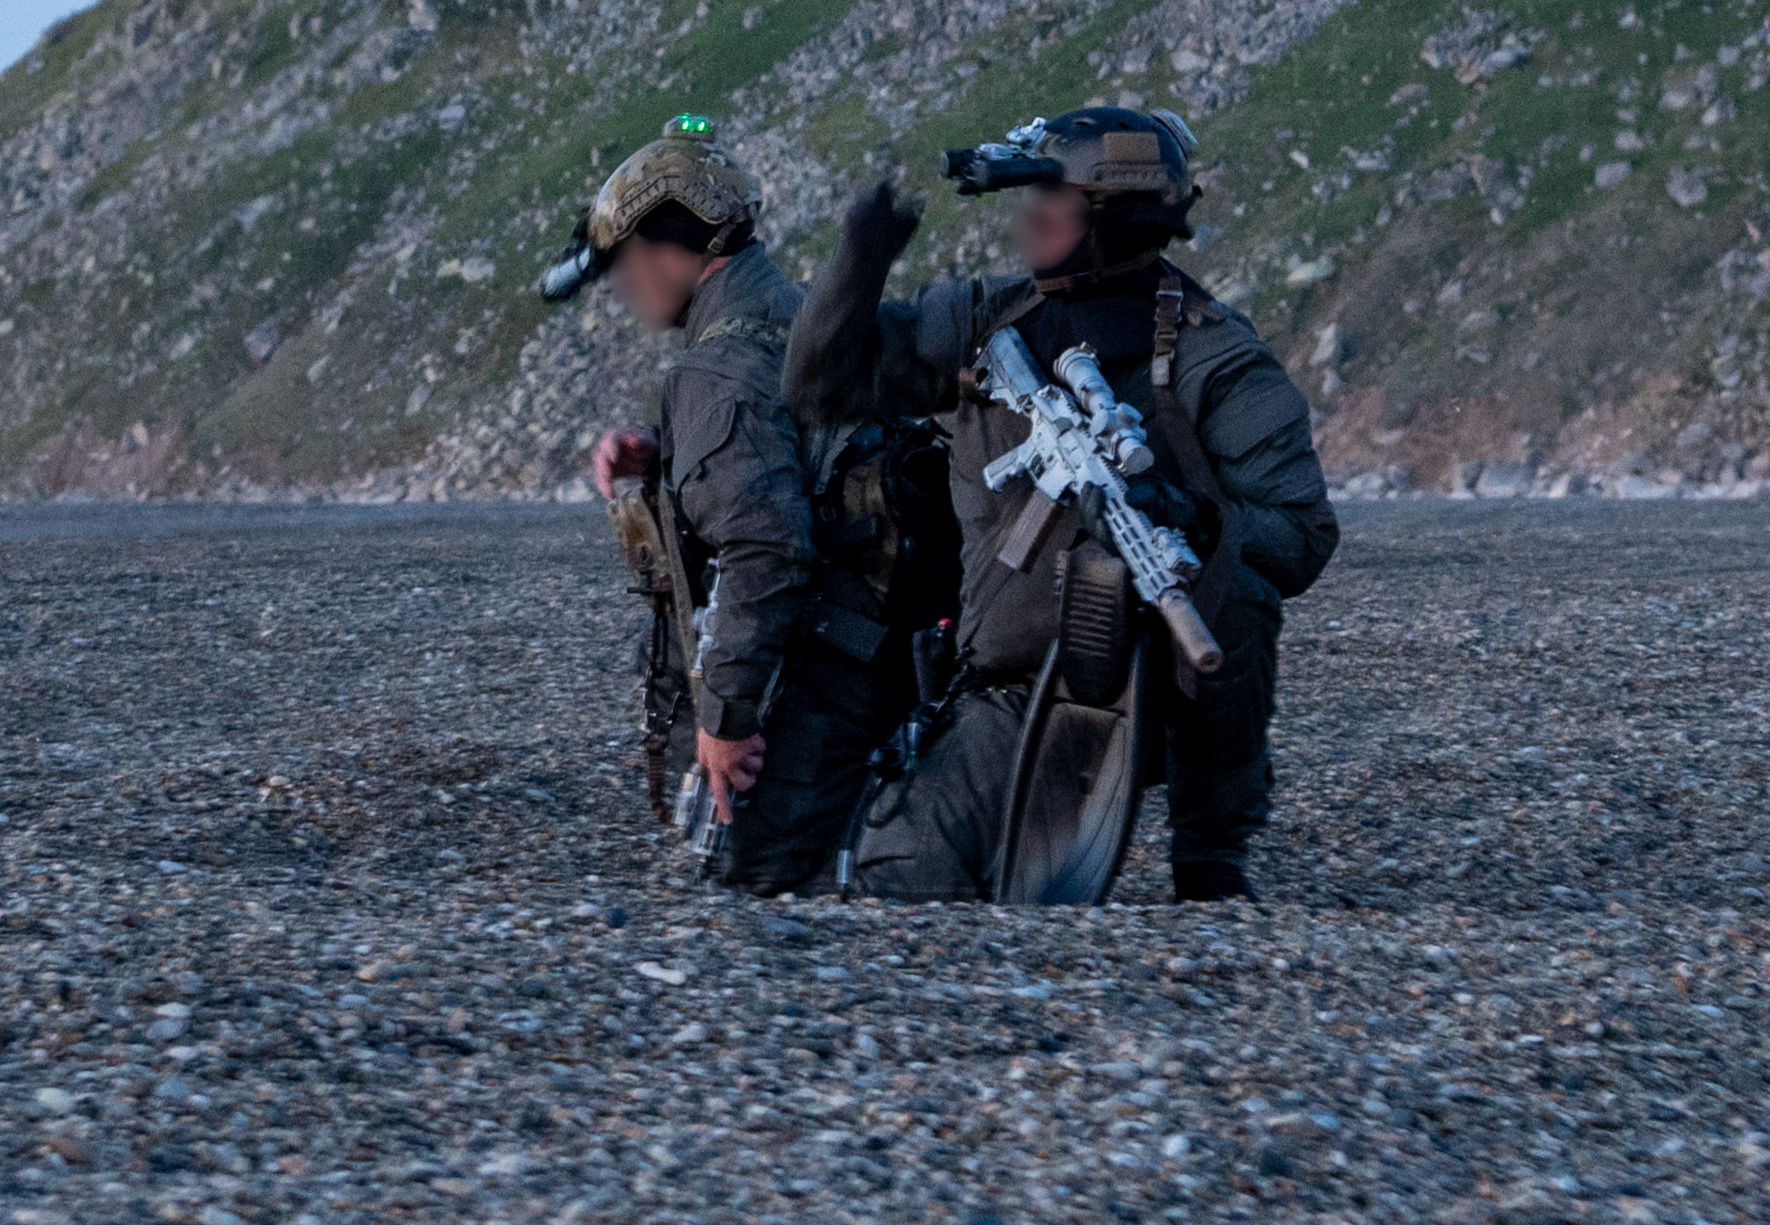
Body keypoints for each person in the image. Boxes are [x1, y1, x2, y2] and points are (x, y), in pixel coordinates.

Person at [789, 106, 1335, 903]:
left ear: (1114, 217)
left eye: (1054, 199)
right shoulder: (982, 321)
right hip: (1005, 682)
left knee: (1240, 600)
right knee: (897, 888)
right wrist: (856, 265)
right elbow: (816, 386)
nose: (1030, 219)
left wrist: (1192, 515)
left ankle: (1211, 862)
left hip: (1151, 684)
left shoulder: (1215, 357)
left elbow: (1301, 535)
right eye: (1029, 197)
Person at [571, 126, 903, 895]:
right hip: (893, 651)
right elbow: (797, 444)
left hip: (828, 669)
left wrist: (724, 722)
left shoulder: (715, 366)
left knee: (758, 882)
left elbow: (767, 547)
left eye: (624, 261)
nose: (623, 286)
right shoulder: (798, 311)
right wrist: (668, 449)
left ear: (668, 247)